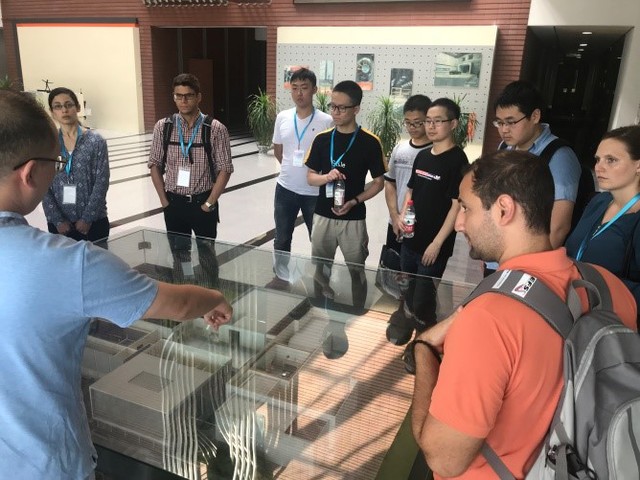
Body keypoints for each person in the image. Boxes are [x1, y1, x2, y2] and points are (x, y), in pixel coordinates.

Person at [0, 90, 233, 480]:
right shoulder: (68, 264)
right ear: (29, 173)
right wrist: (214, 297)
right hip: (45, 464)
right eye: (55, 164)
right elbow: (174, 305)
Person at [409, 149, 636, 479]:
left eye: (466, 208)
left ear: (504, 209)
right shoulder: (609, 286)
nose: (458, 223)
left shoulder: (488, 320)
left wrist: (423, 350)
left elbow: (444, 459)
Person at [390, 98, 468, 345]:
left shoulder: (458, 161)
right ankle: (410, 331)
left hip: (433, 247)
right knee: (407, 291)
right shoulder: (423, 156)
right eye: (428, 121)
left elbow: (456, 205)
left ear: (453, 124)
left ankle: (422, 345)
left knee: (424, 300)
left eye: (438, 121)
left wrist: (436, 243)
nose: (431, 126)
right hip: (410, 240)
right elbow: (410, 192)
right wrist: (402, 218)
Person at [484, 81, 582, 275]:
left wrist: (529, 270)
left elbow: (559, 227)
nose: (504, 130)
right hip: (499, 259)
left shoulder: (559, 156)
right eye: (499, 122)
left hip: (526, 266)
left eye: (511, 122)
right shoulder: (504, 148)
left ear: (535, 116)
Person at [306, 80, 386, 312]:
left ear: (356, 109)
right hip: (323, 215)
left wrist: (354, 201)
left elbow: (378, 183)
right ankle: (320, 306)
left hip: (353, 218)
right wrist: (326, 177)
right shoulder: (322, 139)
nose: (335, 112)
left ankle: (358, 310)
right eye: (332, 106)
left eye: (342, 108)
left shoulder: (370, 142)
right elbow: (310, 177)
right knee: (320, 267)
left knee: (356, 269)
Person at [148, 73, 233, 286]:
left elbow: (225, 169)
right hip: (174, 203)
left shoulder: (215, 129)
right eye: (179, 96)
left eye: (189, 95)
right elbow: (154, 164)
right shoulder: (163, 127)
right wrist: (164, 201)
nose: (183, 101)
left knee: (206, 253)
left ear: (199, 97)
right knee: (180, 253)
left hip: (202, 203)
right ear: (174, 97)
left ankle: (209, 292)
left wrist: (209, 204)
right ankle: (184, 286)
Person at [566, 125, 640, 327]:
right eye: (598, 159)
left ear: (638, 166)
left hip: (610, 326)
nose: (599, 167)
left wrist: (599, 285)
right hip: (574, 310)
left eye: (611, 160)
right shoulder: (599, 202)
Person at [267, 68, 332, 290]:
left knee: (319, 240)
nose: (299, 93)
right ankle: (280, 275)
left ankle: (322, 279)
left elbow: (329, 157)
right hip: (285, 188)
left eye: (304, 88)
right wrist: (292, 169)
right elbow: (279, 151)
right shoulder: (283, 117)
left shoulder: (326, 121)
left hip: (315, 192)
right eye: (294, 88)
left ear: (314, 90)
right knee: (282, 236)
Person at [42, 87, 110, 241]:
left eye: (69, 105)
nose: (64, 110)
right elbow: (43, 183)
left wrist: (87, 218)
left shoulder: (96, 141)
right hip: (60, 226)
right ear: (52, 112)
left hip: (94, 222)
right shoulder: (48, 143)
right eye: (58, 106)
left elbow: (102, 181)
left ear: (78, 107)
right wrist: (57, 220)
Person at [383, 94, 431, 257]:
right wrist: (395, 217)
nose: (412, 127)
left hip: (422, 226)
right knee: (392, 265)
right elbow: (390, 183)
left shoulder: (434, 152)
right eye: (408, 123)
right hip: (396, 222)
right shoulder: (400, 148)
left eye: (417, 123)